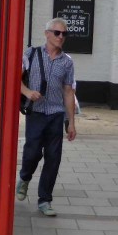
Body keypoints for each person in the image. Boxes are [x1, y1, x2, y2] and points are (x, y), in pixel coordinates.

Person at [17, 18, 76, 216]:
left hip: (56, 114)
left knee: (53, 158)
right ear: (47, 33)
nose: (61, 37)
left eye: (64, 34)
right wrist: (27, 92)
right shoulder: (30, 54)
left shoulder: (67, 62)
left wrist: (71, 123)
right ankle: (24, 178)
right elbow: (14, 79)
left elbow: (68, 92)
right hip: (36, 113)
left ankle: (45, 200)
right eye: (57, 33)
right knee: (32, 152)